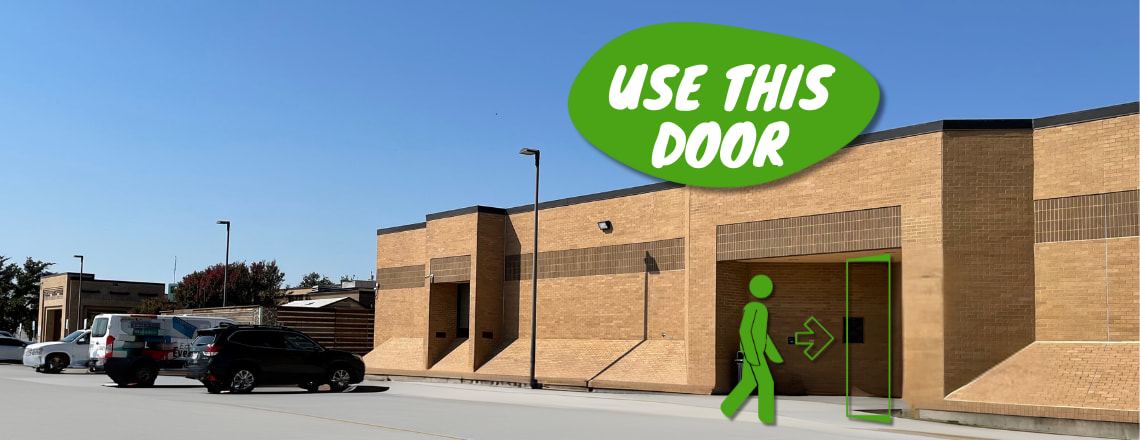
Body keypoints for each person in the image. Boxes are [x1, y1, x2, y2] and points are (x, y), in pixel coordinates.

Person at [720, 274, 783, 423]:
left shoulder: (761, 309)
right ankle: (766, 416)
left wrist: (773, 354)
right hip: (753, 352)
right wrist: (752, 355)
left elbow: (762, 334)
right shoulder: (752, 308)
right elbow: (744, 330)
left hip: (756, 351)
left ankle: (728, 407)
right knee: (767, 383)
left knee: (749, 382)